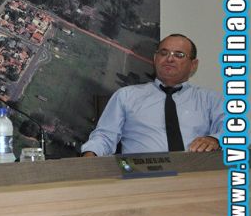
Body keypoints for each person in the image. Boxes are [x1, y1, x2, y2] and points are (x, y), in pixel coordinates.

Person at [81, 34, 223, 157]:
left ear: (193, 65)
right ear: (155, 58)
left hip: (196, 173)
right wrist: (90, 154)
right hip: (142, 175)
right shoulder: (126, 96)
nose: (169, 59)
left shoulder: (211, 99)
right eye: (163, 53)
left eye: (179, 55)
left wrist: (215, 139)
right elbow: (105, 136)